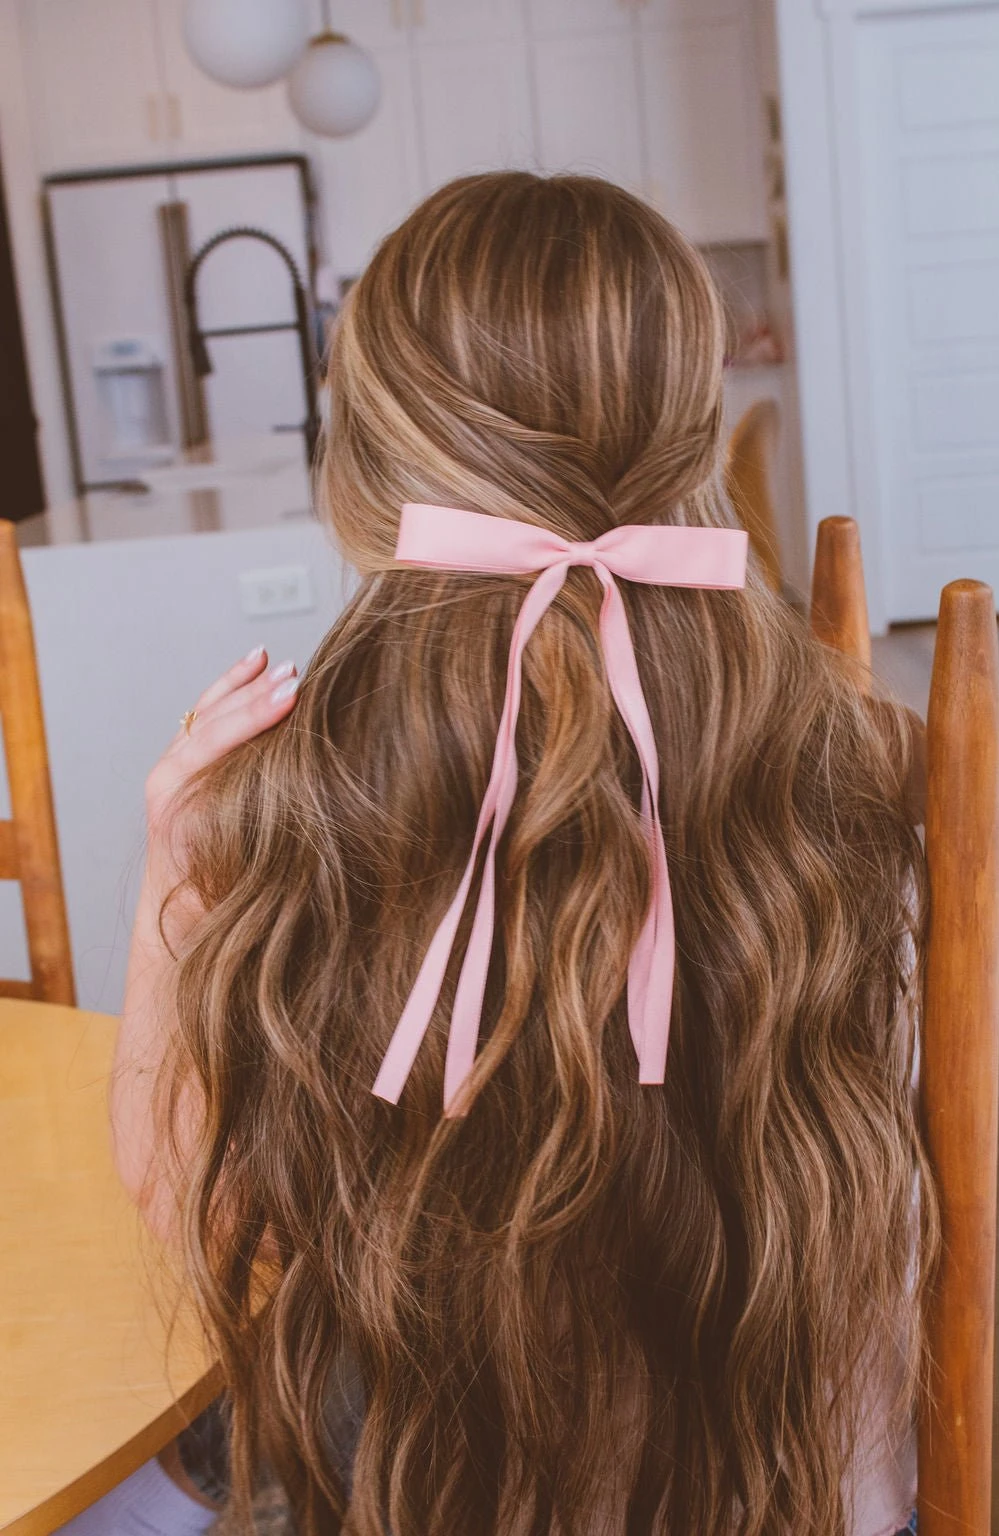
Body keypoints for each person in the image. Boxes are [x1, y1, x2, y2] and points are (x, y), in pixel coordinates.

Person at [80, 172, 933, 1536]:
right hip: (798, 1473)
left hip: (431, 1481)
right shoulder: (840, 762)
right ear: (689, 436)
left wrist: (173, 869)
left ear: (368, 462)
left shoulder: (298, 794)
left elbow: (204, 1216)